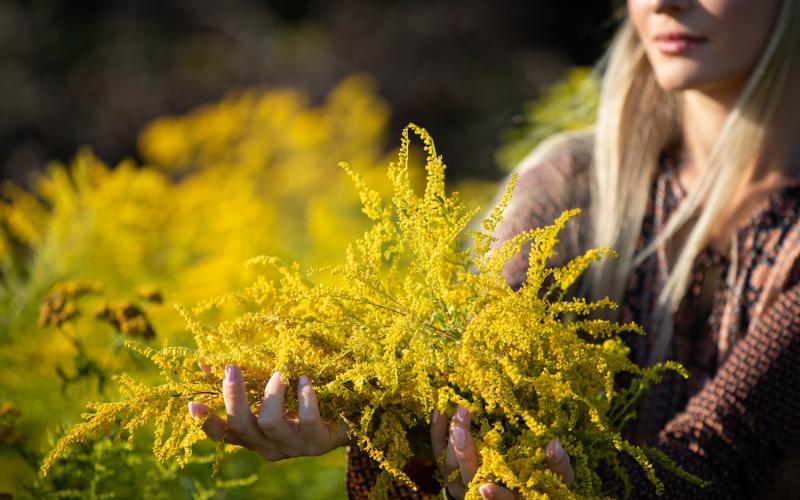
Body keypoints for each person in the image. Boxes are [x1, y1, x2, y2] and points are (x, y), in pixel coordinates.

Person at [187, 0, 800, 497]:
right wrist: (369, 414)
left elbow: (722, 452)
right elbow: (469, 383)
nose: (666, 3)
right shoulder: (567, 188)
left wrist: (565, 487)